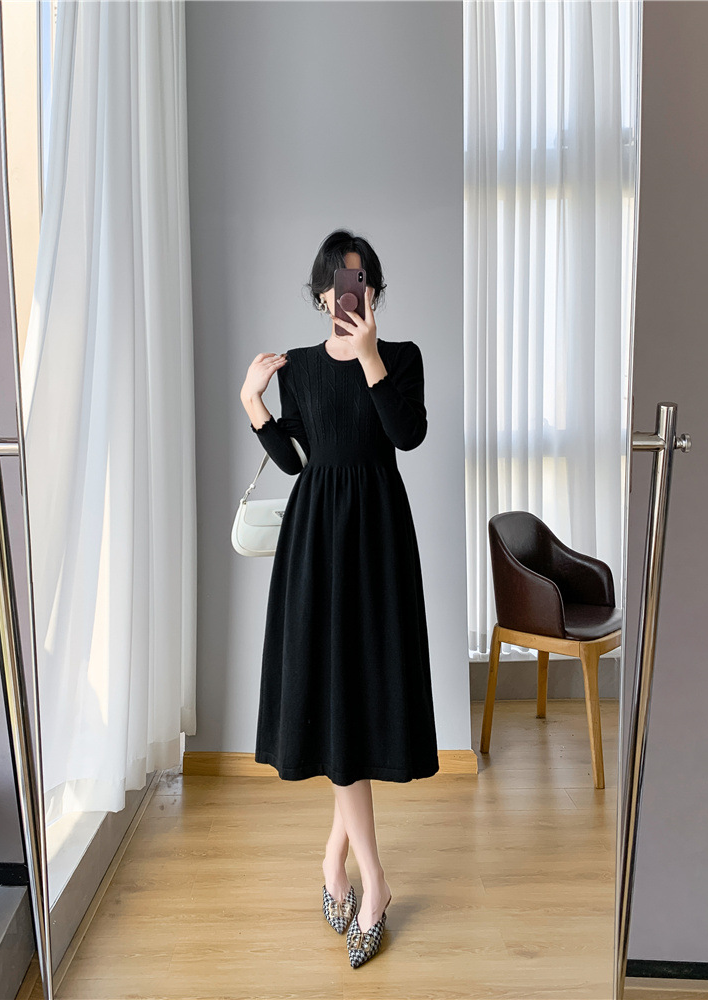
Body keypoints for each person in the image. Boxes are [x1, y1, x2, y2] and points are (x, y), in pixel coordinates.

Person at [240, 229, 439, 967]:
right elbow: (296, 461)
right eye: (338, 280)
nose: (349, 291)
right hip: (317, 542)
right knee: (336, 699)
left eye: (361, 279)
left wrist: (371, 357)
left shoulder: (401, 357)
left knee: (354, 699)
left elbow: (407, 436)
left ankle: (343, 868)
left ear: (371, 292)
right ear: (321, 293)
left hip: (378, 538)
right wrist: (254, 403)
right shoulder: (299, 369)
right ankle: (364, 878)